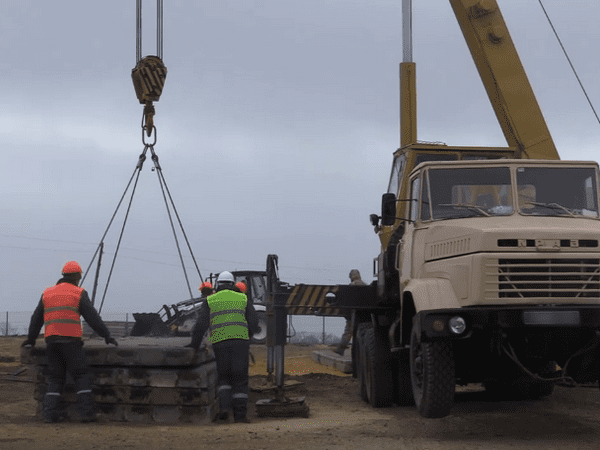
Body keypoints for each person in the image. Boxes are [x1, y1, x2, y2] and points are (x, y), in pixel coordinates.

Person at [22, 261, 118, 423]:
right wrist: (106, 335)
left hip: (52, 342)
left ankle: (50, 414)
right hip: (71, 342)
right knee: (81, 375)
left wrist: (31, 339)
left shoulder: (48, 293)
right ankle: (86, 414)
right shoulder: (78, 293)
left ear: (63, 275)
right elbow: (92, 317)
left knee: (55, 378)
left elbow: (36, 318)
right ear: (77, 276)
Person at [186, 271, 259, 424]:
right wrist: (248, 336)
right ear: (233, 284)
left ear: (218, 284)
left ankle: (224, 409)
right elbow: (253, 322)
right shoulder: (243, 298)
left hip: (220, 343)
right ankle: (240, 416)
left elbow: (201, 325)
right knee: (240, 379)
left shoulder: (210, 300)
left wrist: (194, 344)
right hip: (240, 343)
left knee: (223, 378)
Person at [334, 269, 365, 356]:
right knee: (361, 334)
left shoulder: (351, 285)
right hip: (364, 314)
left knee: (348, 332)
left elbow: (347, 300)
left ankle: (340, 350)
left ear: (351, 276)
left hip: (352, 313)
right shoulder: (364, 285)